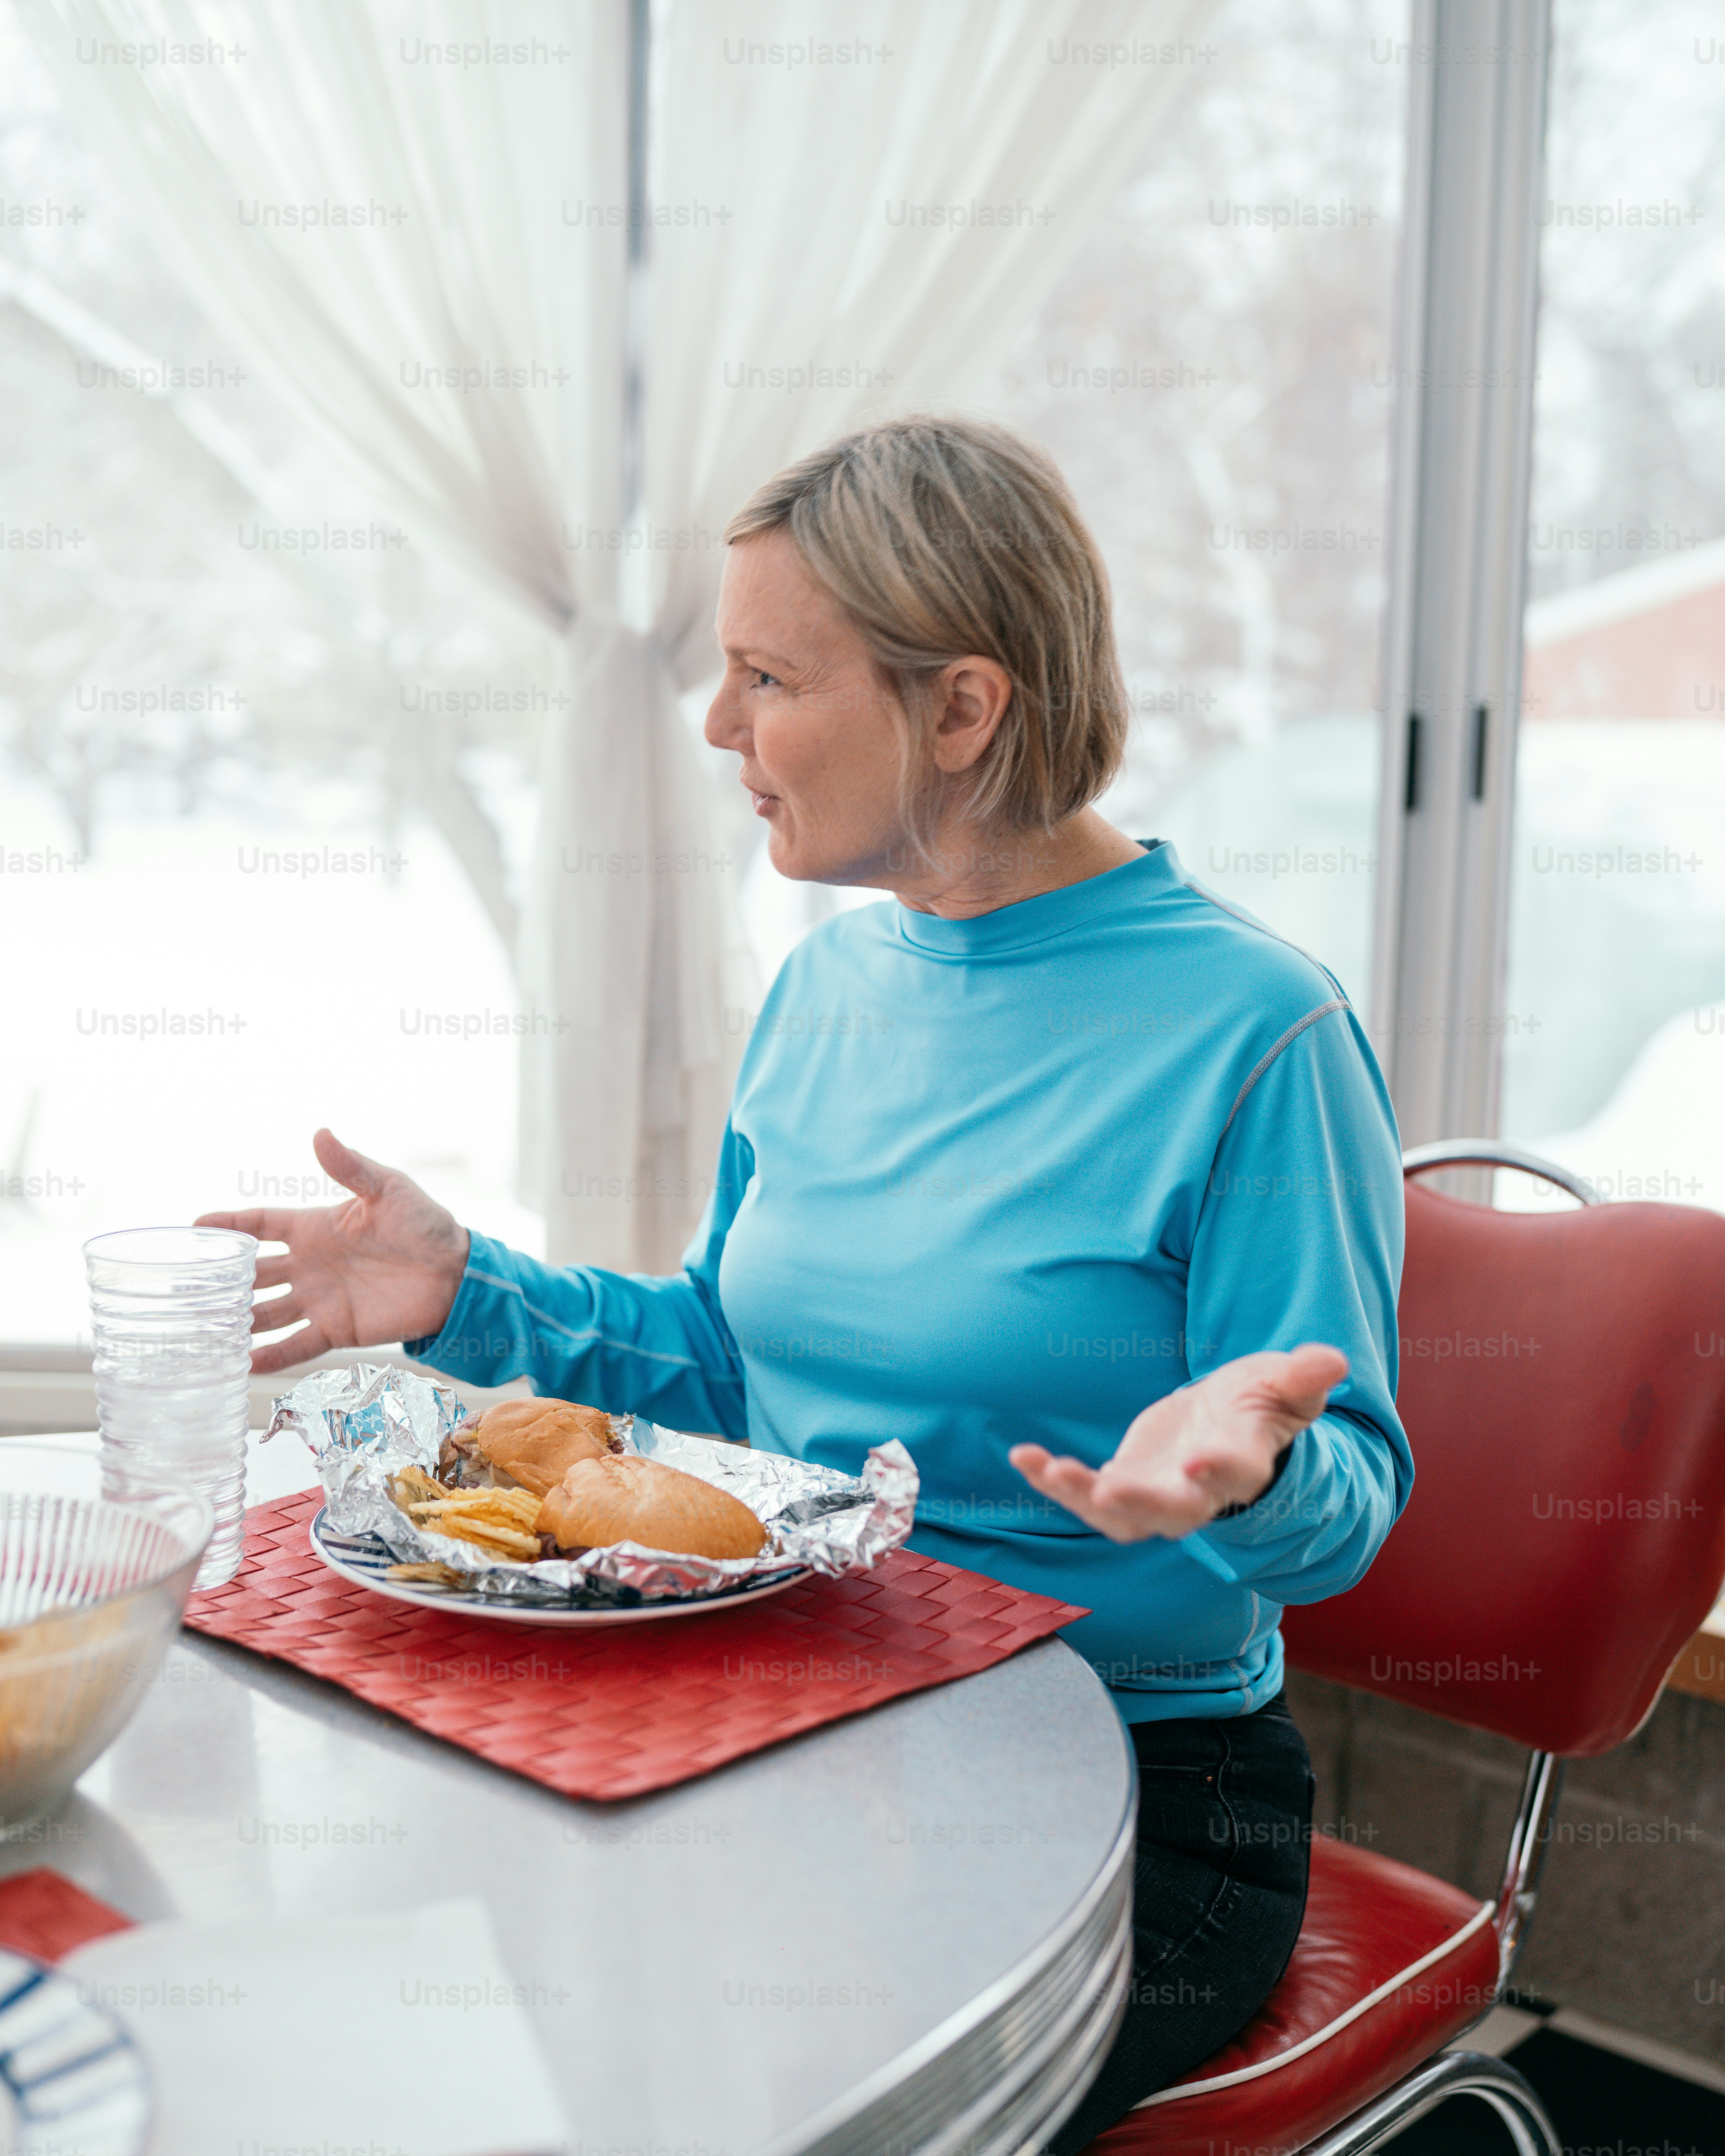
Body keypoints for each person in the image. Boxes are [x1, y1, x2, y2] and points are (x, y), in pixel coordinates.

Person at [199, 414, 1410, 2150]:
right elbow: (720, 1360)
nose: (714, 727)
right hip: (819, 1710)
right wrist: (463, 1289)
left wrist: (1262, 1467)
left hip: (1145, 1800)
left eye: (766, 676)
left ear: (963, 707)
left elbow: (1349, 1508)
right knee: (485, 2024)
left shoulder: (1256, 1031)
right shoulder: (832, 987)